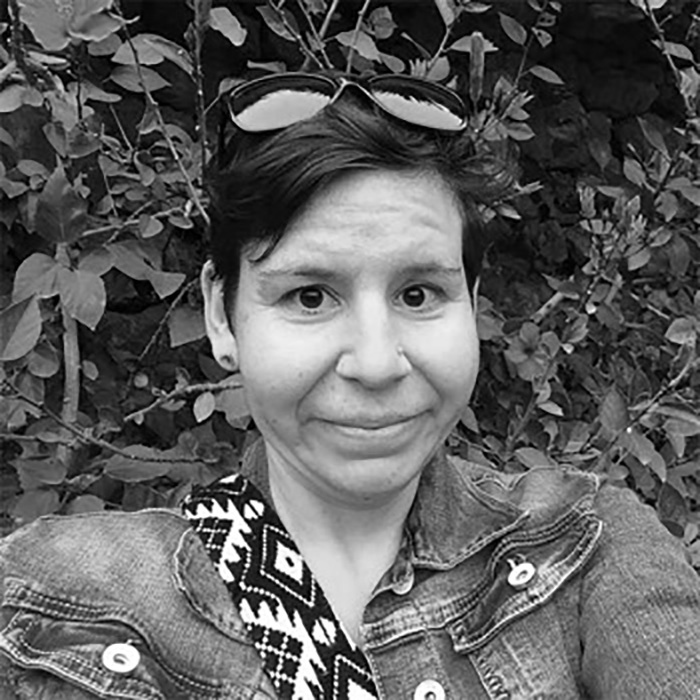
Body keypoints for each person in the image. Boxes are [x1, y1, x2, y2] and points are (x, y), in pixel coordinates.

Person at [1, 72, 700, 700]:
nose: (376, 363)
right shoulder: (46, 598)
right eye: (310, 297)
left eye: (420, 293)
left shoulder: (588, 547)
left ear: (473, 302)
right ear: (222, 314)